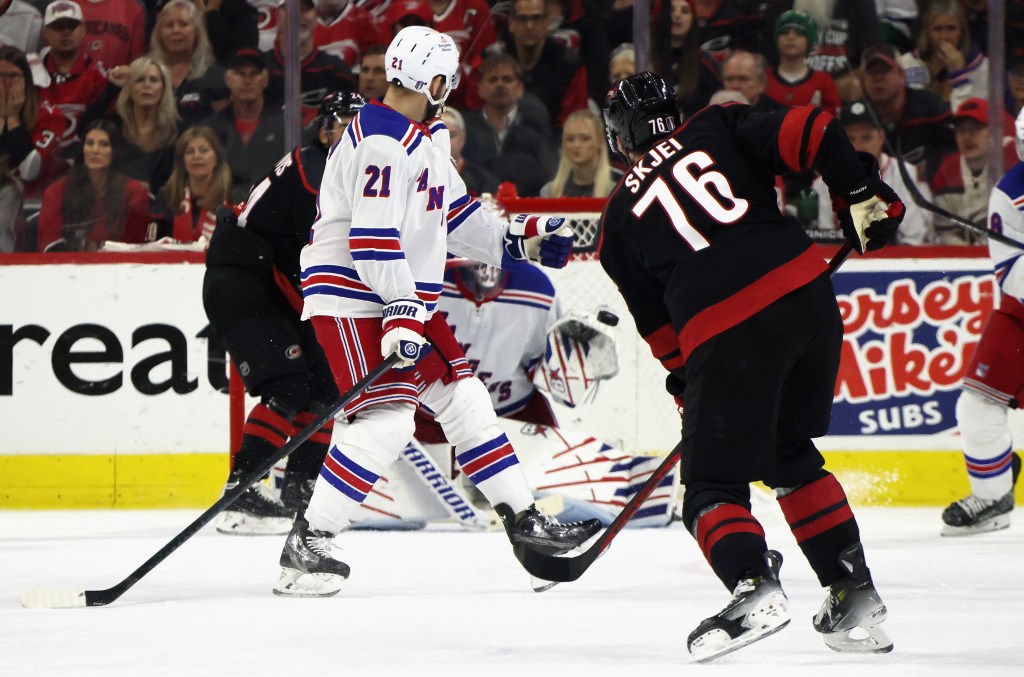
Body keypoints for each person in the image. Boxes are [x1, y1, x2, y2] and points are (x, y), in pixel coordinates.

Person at [277, 25, 600, 597]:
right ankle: (310, 541)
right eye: (447, 75)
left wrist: (519, 238)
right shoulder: (379, 139)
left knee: (463, 396)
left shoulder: (421, 139)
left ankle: (526, 524)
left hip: (396, 296)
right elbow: (372, 242)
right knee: (386, 419)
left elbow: (457, 219)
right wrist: (402, 310)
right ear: (430, 79)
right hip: (354, 298)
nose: (451, 86)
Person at [600, 72, 905, 661]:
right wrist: (857, 193)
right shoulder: (718, 123)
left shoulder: (616, 222)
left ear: (619, 136)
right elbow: (815, 128)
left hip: (728, 331)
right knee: (787, 453)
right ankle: (853, 591)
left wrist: (691, 386)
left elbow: (662, 331)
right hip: (808, 300)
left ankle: (752, 587)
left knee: (711, 484)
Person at [202, 92, 365, 535]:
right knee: (291, 385)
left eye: (362, 125)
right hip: (245, 282)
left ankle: (302, 488)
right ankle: (242, 491)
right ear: (325, 129)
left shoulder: (335, 169)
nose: (356, 134)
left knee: (327, 388)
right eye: (346, 124)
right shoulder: (317, 168)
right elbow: (326, 248)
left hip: (272, 284)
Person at [940, 106, 1024, 535]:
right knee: (976, 406)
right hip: (1020, 316)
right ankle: (993, 498)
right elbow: (1010, 273)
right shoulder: (1009, 195)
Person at [811, 100, 935, 245]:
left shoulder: (905, 174)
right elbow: (823, 242)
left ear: (881, 137)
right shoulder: (823, 183)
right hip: (846, 265)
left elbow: (915, 238)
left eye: (867, 138)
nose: (858, 147)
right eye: (850, 139)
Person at [36, 118, 151, 251]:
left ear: (115, 151)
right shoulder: (57, 191)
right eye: (89, 143)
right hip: (69, 267)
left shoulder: (134, 191)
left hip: (119, 268)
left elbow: (136, 246)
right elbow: (49, 243)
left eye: (104, 144)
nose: (95, 150)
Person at [859, 42, 955, 183]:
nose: (877, 78)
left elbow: (953, 147)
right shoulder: (857, 115)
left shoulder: (928, 105)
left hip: (929, 187)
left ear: (901, 75)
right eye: (871, 72)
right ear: (862, 79)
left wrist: (931, 170)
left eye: (884, 70)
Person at [930, 97, 1018, 245]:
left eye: (976, 128)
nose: (967, 137)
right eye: (961, 130)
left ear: (994, 132)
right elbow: (944, 234)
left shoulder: (1014, 167)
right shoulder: (945, 174)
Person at [203, 47, 286, 202]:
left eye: (254, 74)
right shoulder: (211, 129)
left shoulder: (285, 125)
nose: (247, 80)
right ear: (227, 79)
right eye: (240, 73)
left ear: (265, 79)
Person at [264, 0, 357, 126]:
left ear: (316, 18)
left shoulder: (337, 73)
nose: (298, 16)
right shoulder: (258, 70)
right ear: (277, 16)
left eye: (305, 9)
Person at [502, 0, 588, 128]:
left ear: (547, 23)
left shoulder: (569, 65)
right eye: (522, 19)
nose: (529, 26)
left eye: (536, 18)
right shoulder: (496, 61)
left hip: (554, 143)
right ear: (511, 23)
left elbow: (574, 124)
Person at [149, 0, 230, 127]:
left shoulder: (215, 77)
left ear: (197, 31)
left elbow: (225, 127)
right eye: (169, 25)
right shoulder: (146, 74)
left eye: (183, 24)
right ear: (159, 33)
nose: (176, 30)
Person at [897, 0, 987, 111]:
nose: (944, 36)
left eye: (951, 28)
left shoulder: (983, 69)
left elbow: (968, 117)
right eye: (937, 29)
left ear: (962, 32)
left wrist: (959, 76)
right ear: (927, 32)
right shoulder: (905, 64)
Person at [111, 55, 180, 194]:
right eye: (139, 80)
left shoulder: (178, 130)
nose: (147, 85)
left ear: (164, 88)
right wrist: (111, 88)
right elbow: (84, 127)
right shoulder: (113, 128)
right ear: (129, 88)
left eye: (154, 80)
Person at [155, 125, 233, 244]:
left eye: (204, 150)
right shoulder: (166, 197)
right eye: (190, 152)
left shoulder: (234, 198)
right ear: (183, 161)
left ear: (217, 159)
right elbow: (153, 246)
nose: (196, 156)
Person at [651, 0, 720, 116]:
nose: (677, 15)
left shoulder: (704, 64)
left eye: (685, 11)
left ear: (692, 20)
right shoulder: (642, 59)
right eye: (671, 10)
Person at [765, 10, 840, 114]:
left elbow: (834, 122)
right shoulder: (763, 78)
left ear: (810, 41)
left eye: (799, 33)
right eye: (784, 32)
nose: (791, 37)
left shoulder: (824, 82)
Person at [540, 108, 620, 198]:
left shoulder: (619, 189)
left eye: (585, 138)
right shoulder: (549, 192)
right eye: (570, 139)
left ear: (600, 142)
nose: (576, 145)